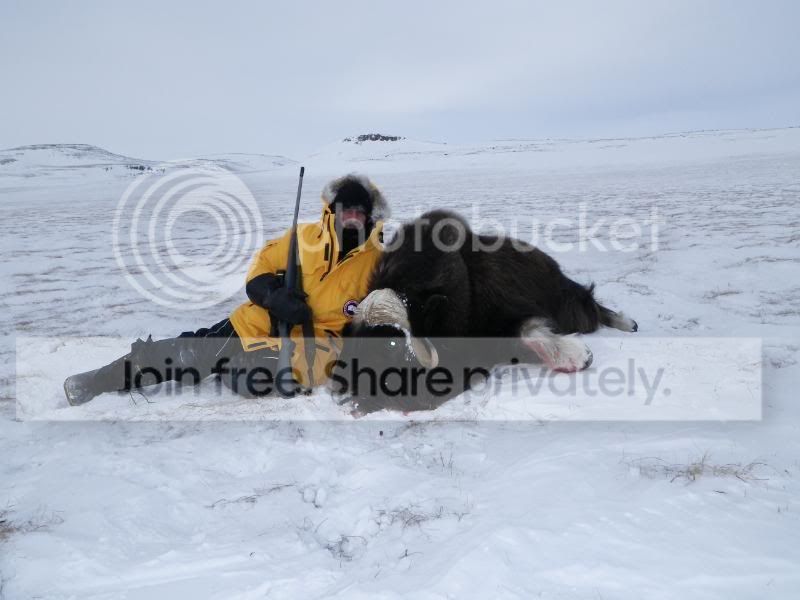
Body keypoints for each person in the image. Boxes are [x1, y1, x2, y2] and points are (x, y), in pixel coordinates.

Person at [63, 174, 389, 405]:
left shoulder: (381, 262)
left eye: (359, 213)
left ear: (370, 216)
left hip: (318, 344)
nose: (352, 219)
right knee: (191, 353)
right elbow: (259, 271)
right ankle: (102, 380)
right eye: (346, 210)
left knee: (256, 376)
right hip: (263, 320)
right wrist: (275, 297)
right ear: (333, 210)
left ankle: (231, 368)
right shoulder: (302, 237)